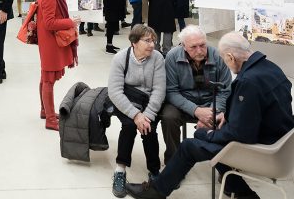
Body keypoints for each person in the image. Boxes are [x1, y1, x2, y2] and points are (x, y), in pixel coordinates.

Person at [126, 32, 294, 199]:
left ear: (229, 56)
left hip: (263, 148)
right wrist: (226, 117)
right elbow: (256, 110)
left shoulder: (248, 81)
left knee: (190, 145)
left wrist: (213, 132)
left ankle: (156, 192)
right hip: (281, 141)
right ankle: (238, 190)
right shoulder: (271, 68)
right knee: (201, 134)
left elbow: (241, 134)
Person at [107, 24, 166, 198]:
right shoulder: (120, 58)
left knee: (149, 128)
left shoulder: (157, 58)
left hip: (148, 103)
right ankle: (120, 171)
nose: (152, 45)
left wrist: (146, 115)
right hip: (126, 101)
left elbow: (159, 90)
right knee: (129, 126)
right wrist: (135, 115)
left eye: (153, 41)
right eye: (147, 41)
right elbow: (115, 91)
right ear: (134, 42)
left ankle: (154, 172)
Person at [160, 25, 231, 164]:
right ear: (183, 46)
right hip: (183, 103)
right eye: (193, 47)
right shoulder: (172, 56)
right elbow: (171, 91)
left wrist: (212, 113)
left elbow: (225, 90)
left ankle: (226, 164)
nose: (199, 50)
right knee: (168, 117)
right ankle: (174, 162)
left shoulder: (218, 56)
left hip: (212, 103)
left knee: (232, 116)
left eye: (202, 45)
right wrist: (196, 111)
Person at [36, 0, 80, 131]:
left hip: (49, 41)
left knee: (45, 78)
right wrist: (71, 21)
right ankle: (50, 119)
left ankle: (44, 111)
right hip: (50, 43)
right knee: (48, 80)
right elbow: (50, 23)